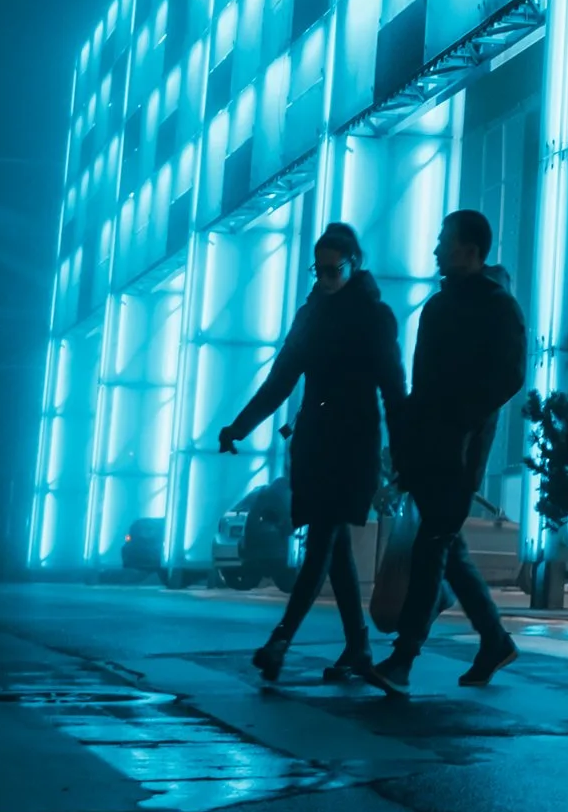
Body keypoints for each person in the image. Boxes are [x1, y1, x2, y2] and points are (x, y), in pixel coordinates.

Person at [220, 221, 407, 684]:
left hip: (350, 446)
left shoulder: (372, 317)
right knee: (333, 546)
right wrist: (238, 427)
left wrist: (403, 448)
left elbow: (392, 387)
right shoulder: (312, 316)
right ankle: (359, 647)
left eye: (332, 269)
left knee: (323, 539)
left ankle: (280, 640)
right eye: (317, 270)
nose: (323, 278)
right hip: (317, 445)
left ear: (353, 264)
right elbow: (280, 380)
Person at [370, 207, 524, 694]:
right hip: (431, 446)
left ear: (470, 248)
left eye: (444, 240)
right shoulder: (437, 308)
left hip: (460, 452)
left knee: (432, 546)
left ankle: (403, 658)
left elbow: (508, 377)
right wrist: (406, 447)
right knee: (445, 547)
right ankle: (495, 640)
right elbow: (420, 386)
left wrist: (461, 422)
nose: (436, 248)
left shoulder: (497, 307)